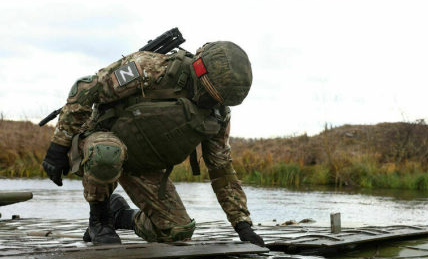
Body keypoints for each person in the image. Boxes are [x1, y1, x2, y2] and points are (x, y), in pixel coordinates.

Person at [42, 41, 265, 247]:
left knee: (177, 230)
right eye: (209, 94)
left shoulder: (216, 114)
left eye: (220, 101)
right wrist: (59, 146)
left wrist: (242, 224)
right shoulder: (151, 68)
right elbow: (85, 89)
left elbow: (222, 170)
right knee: (108, 151)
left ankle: (120, 215)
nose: (212, 103)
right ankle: (100, 219)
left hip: (142, 163)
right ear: (198, 70)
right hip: (99, 142)